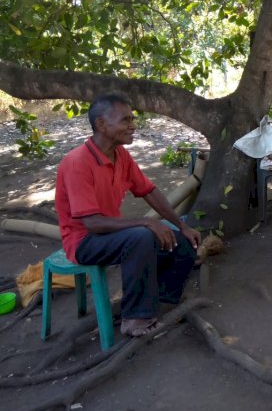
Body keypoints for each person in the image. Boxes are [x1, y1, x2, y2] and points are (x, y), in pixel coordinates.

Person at [55, 93, 201, 337]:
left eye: (132, 120)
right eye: (125, 120)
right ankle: (134, 319)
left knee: (184, 241)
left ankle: (162, 301)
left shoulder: (121, 155)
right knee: (141, 237)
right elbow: (92, 223)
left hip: (112, 233)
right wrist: (146, 221)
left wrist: (181, 225)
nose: (133, 126)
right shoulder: (77, 163)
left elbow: (149, 191)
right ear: (101, 124)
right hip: (83, 241)